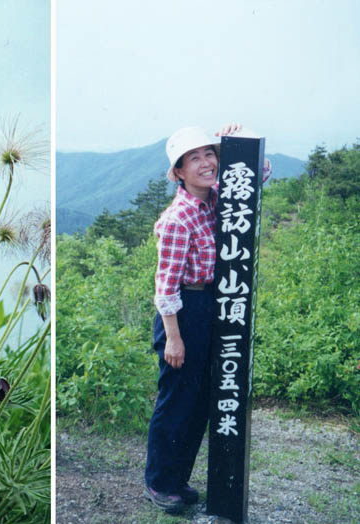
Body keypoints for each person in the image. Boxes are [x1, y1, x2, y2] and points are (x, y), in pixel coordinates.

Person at [143, 124, 270, 514]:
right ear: (178, 172)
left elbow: (257, 175)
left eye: (209, 154)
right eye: (193, 158)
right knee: (176, 400)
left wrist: (242, 135)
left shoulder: (216, 199)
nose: (205, 162)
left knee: (199, 402)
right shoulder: (177, 218)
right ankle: (160, 483)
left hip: (212, 305)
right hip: (184, 312)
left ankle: (178, 480)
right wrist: (174, 339)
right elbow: (165, 287)